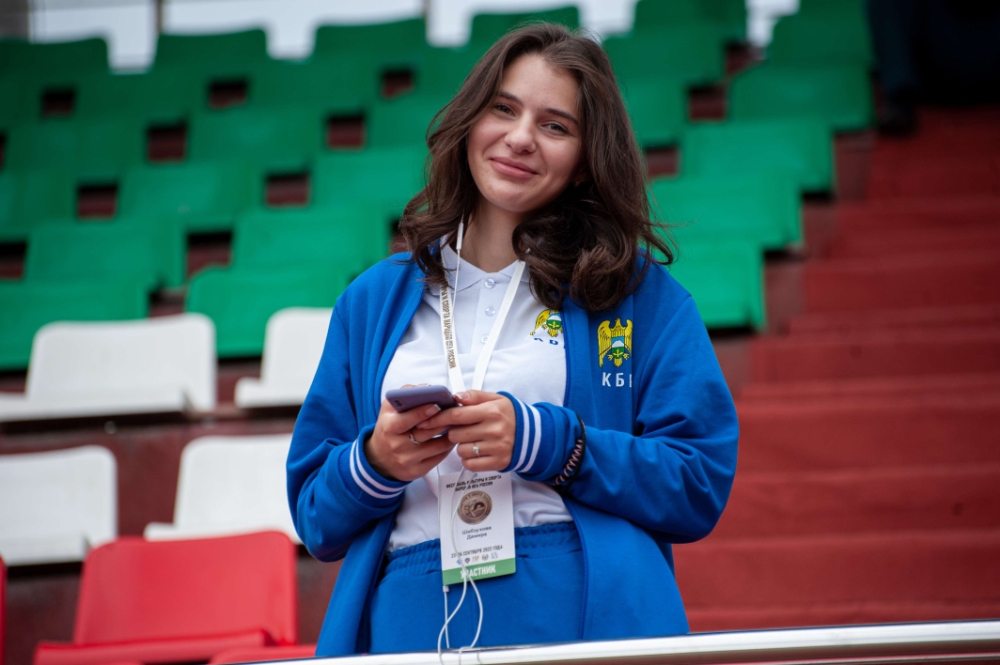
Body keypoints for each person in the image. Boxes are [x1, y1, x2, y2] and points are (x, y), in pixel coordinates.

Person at [287, 23, 738, 657]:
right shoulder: (371, 300)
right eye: (503, 108)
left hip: (578, 613)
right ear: (470, 121)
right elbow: (314, 514)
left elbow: (697, 481)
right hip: (408, 618)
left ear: (584, 163)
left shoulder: (635, 295)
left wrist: (551, 443)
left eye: (555, 126)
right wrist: (378, 461)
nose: (521, 137)